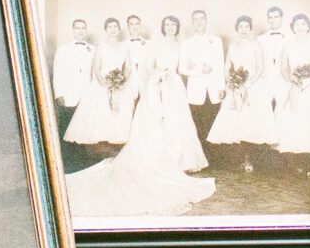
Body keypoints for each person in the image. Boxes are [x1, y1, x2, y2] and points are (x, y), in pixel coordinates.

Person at [65, 14, 217, 218]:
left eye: (173, 25)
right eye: (167, 24)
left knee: (177, 122)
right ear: (163, 27)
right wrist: (159, 73)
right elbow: (148, 65)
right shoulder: (155, 43)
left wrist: (176, 73)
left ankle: (179, 161)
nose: (170, 27)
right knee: (155, 122)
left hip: (174, 85)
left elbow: (183, 67)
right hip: (157, 83)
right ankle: (156, 161)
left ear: (177, 28)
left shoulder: (180, 45)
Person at [207, 15, 276, 154]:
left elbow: (260, 68)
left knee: (252, 119)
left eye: (247, 27)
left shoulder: (256, 45)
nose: (244, 30)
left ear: (250, 29)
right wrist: (231, 82)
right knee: (233, 119)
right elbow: (227, 67)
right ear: (237, 29)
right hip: (236, 86)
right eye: (241, 27)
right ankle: (240, 156)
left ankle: (251, 156)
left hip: (252, 85)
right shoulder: (232, 47)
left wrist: (248, 83)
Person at [271, 13, 310, 158]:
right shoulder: (288, 46)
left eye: (303, 24)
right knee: (292, 116)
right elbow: (283, 68)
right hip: (294, 84)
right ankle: (295, 152)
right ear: (293, 27)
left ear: (308, 26)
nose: (300, 27)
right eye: (297, 24)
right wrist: (291, 79)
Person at [67, 17, 137, 144]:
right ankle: (103, 137)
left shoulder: (124, 47)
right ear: (106, 29)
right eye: (110, 27)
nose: (113, 30)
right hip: (103, 83)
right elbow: (97, 68)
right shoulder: (100, 46)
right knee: (101, 109)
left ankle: (119, 136)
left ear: (119, 29)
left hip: (119, 83)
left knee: (123, 108)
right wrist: (105, 84)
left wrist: (121, 81)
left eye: (115, 27)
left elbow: (128, 67)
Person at [179, 9, 226, 141]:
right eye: (196, 19)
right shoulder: (186, 43)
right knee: (199, 127)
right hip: (195, 91)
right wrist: (200, 70)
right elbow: (182, 68)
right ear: (192, 23)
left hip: (214, 89)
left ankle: (213, 154)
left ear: (206, 21)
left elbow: (220, 65)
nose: (199, 22)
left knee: (214, 126)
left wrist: (222, 87)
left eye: (202, 19)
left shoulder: (216, 41)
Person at [51, 17, 96, 111]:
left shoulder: (93, 49)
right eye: (77, 28)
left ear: (86, 30)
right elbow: (58, 73)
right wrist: (59, 94)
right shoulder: (62, 49)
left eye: (83, 28)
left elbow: (95, 73)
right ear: (73, 30)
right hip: (68, 95)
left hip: (87, 94)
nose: (80, 31)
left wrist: (94, 93)